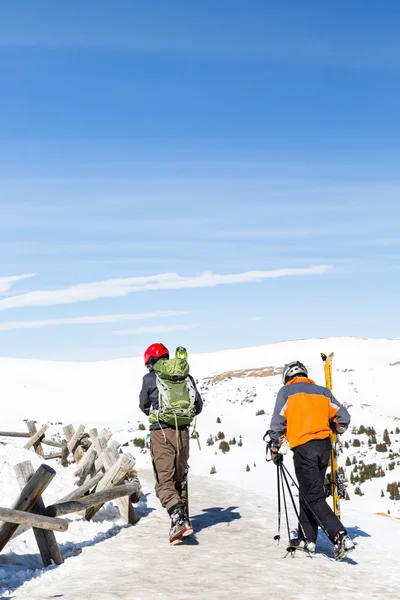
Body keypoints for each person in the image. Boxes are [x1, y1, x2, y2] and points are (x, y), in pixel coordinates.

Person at [269, 360, 354, 559]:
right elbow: (344, 417)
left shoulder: (286, 392)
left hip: (304, 448)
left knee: (313, 494)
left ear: (288, 377)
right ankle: (308, 539)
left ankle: (340, 536)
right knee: (308, 492)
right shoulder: (322, 392)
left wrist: (274, 446)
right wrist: (335, 428)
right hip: (324, 447)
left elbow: (279, 421)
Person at [139, 342, 203, 545]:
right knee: (180, 479)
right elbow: (198, 406)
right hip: (183, 433)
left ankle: (177, 517)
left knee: (164, 482)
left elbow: (143, 405)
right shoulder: (186, 376)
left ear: (150, 361)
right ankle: (181, 524)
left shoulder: (149, 378)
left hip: (161, 433)